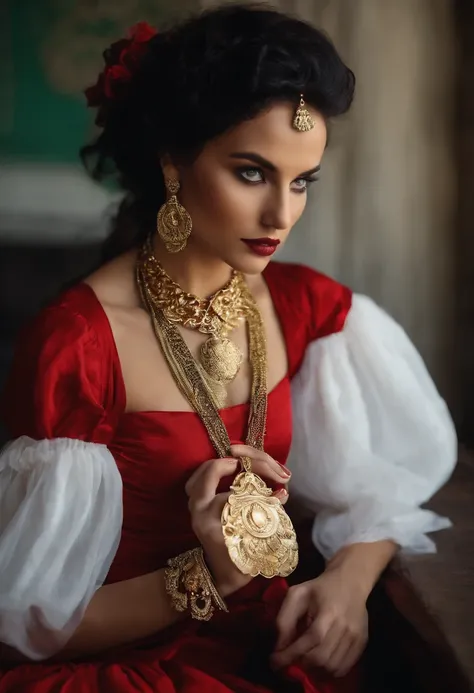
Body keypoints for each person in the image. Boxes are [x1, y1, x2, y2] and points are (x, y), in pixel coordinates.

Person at [0, 4, 457, 692]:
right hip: (126, 667)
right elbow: (30, 621)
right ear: (174, 164)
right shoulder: (81, 343)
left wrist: (346, 585)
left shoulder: (310, 310)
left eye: (301, 180)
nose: (282, 215)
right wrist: (209, 574)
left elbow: (382, 484)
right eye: (252, 173)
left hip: (272, 642)